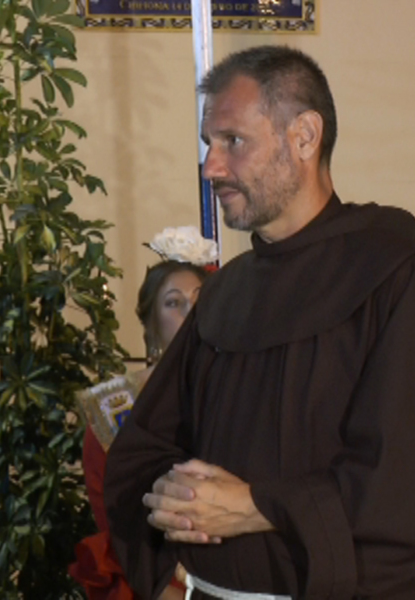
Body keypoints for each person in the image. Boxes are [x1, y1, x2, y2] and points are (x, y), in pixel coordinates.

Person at [105, 45, 415, 599]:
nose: (210, 167)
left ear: (304, 136)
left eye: (232, 142)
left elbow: (396, 480)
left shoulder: (395, 267)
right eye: (208, 144)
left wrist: (255, 507)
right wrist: (163, 575)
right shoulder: (226, 291)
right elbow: (141, 452)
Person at [71, 230, 212, 600]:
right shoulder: (113, 406)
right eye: (173, 303)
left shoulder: (239, 392)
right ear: (150, 324)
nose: (188, 312)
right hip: (146, 581)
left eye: (198, 301)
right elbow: (112, 512)